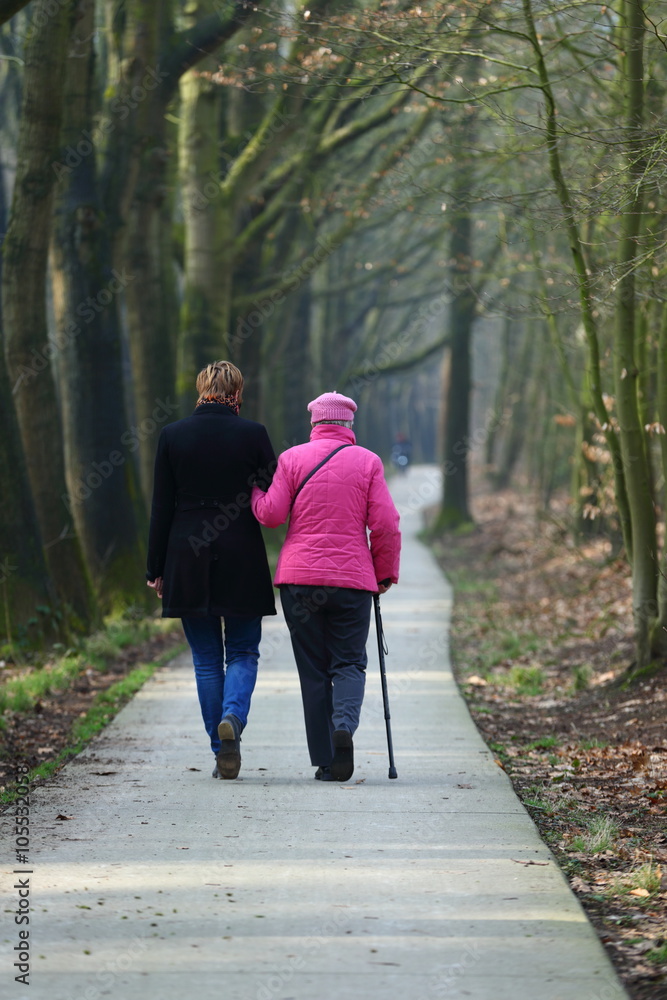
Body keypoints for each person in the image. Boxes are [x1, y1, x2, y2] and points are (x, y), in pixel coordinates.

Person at [251, 391, 401, 782]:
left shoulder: (291, 459)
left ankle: (326, 760)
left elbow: (271, 515)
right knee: (349, 662)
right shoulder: (368, 462)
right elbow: (385, 523)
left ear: (314, 424)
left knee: (314, 670)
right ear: (349, 425)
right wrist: (383, 573)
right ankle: (344, 728)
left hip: (299, 582)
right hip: (352, 582)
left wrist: (253, 494)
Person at [146, 361, 277, 780]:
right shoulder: (253, 434)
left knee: (205, 660)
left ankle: (220, 745)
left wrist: (155, 568)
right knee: (243, 650)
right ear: (237, 393)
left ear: (200, 390)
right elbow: (273, 491)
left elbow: (161, 507)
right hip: (240, 550)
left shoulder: (173, 435)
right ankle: (233, 720)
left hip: (186, 553)